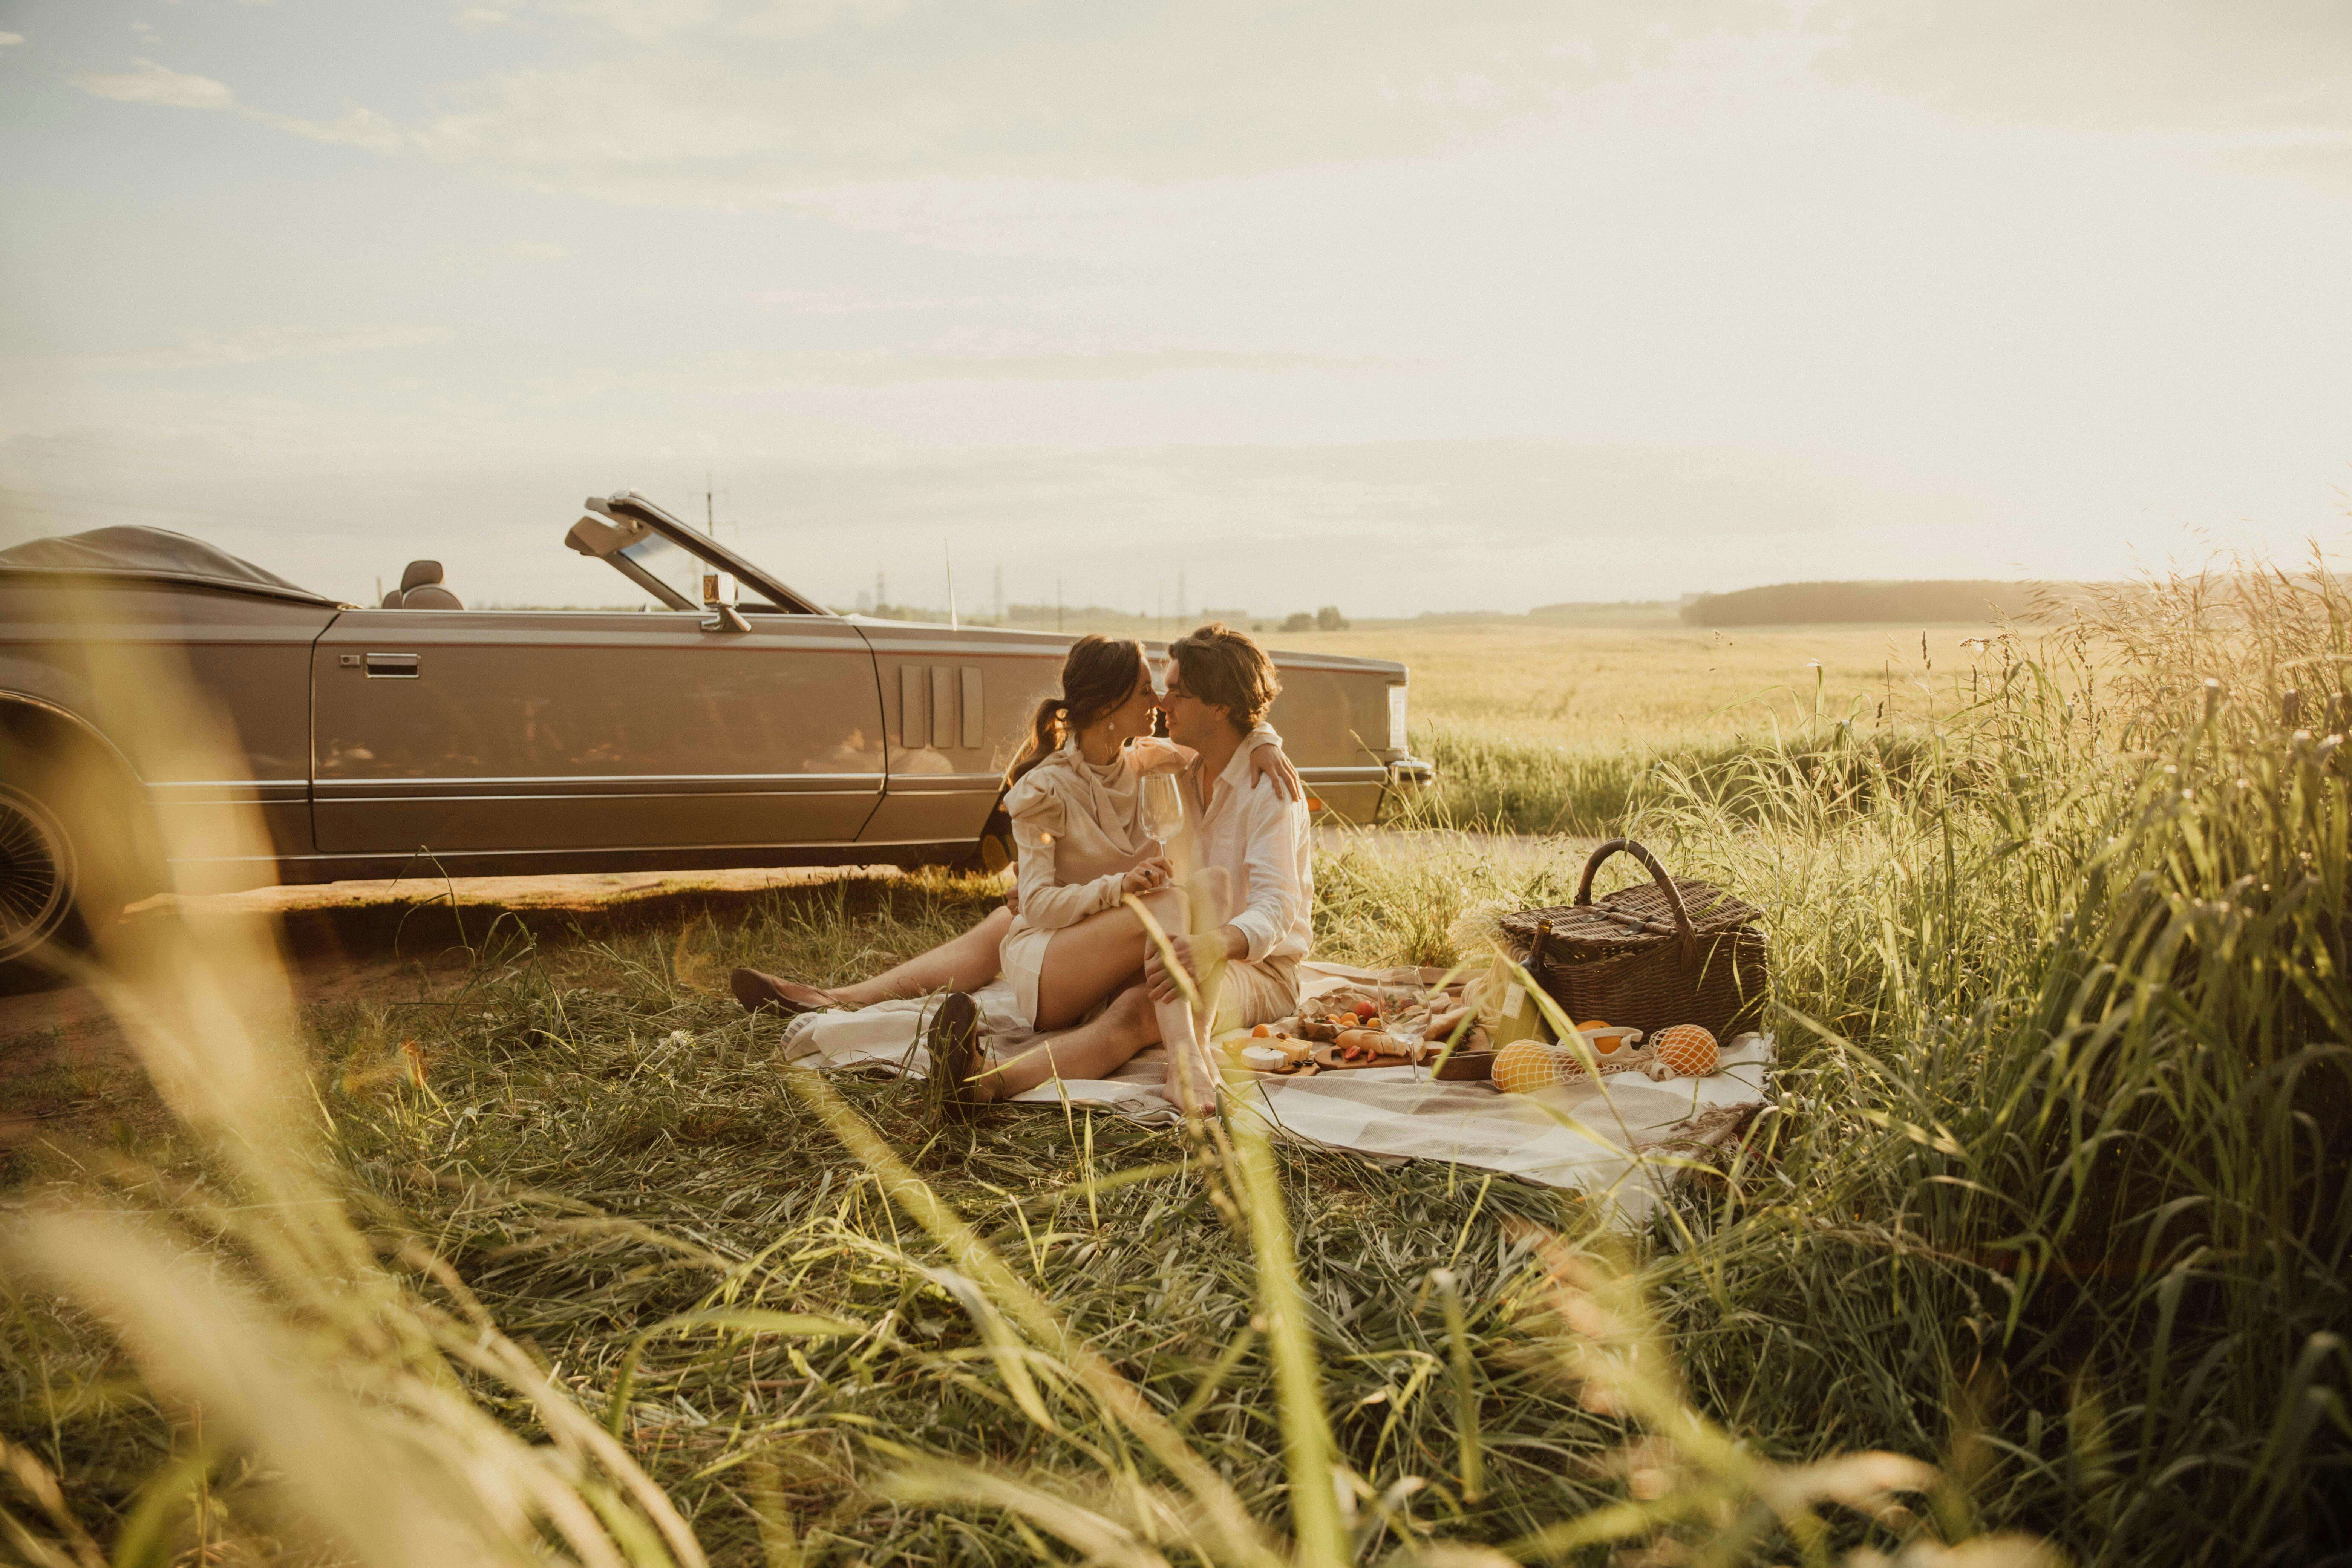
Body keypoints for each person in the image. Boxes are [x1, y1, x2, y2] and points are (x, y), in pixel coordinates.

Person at [729, 639, 1298, 1017]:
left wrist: (1266, 742)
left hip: (1166, 927)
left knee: (1048, 914)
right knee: (1012, 915)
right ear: (1109, 709)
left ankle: (848, 1004)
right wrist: (1069, 890)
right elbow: (1208, 728)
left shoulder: (1186, 764)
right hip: (1131, 916)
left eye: (1169, 691)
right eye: (1149, 691)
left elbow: (1232, 729)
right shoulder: (1109, 772)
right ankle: (840, 999)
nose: (1161, 701)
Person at [933, 622, 1312, 1117]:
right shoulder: (1178, 766)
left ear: (1219, 709)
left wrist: (1213, 945)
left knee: (1135, 1008)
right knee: (1043, 939)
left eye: (1178, 691)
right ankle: (856, 1000)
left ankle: (989, 1084)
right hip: (1180, 940)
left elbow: (1277, 907)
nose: (1162, 701)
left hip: (1257, 967)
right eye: (1161, 687)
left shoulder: (1271, 790)